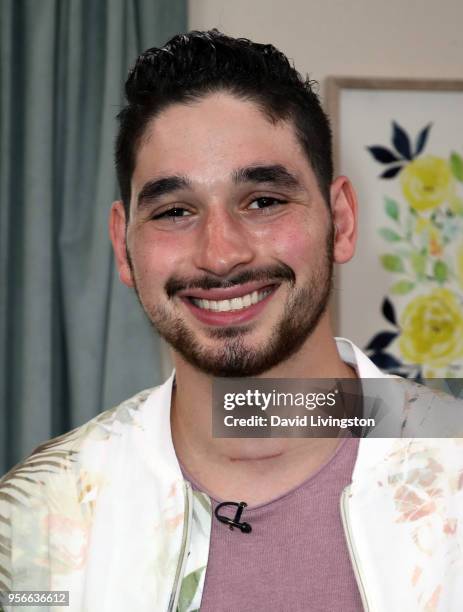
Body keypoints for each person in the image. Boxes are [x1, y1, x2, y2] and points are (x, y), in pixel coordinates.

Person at [0, 29, 461, 612]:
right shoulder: (40, 514)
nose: (221, 254)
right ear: (122, 247)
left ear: (340, 221)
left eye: (264, 201)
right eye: (174, 211)